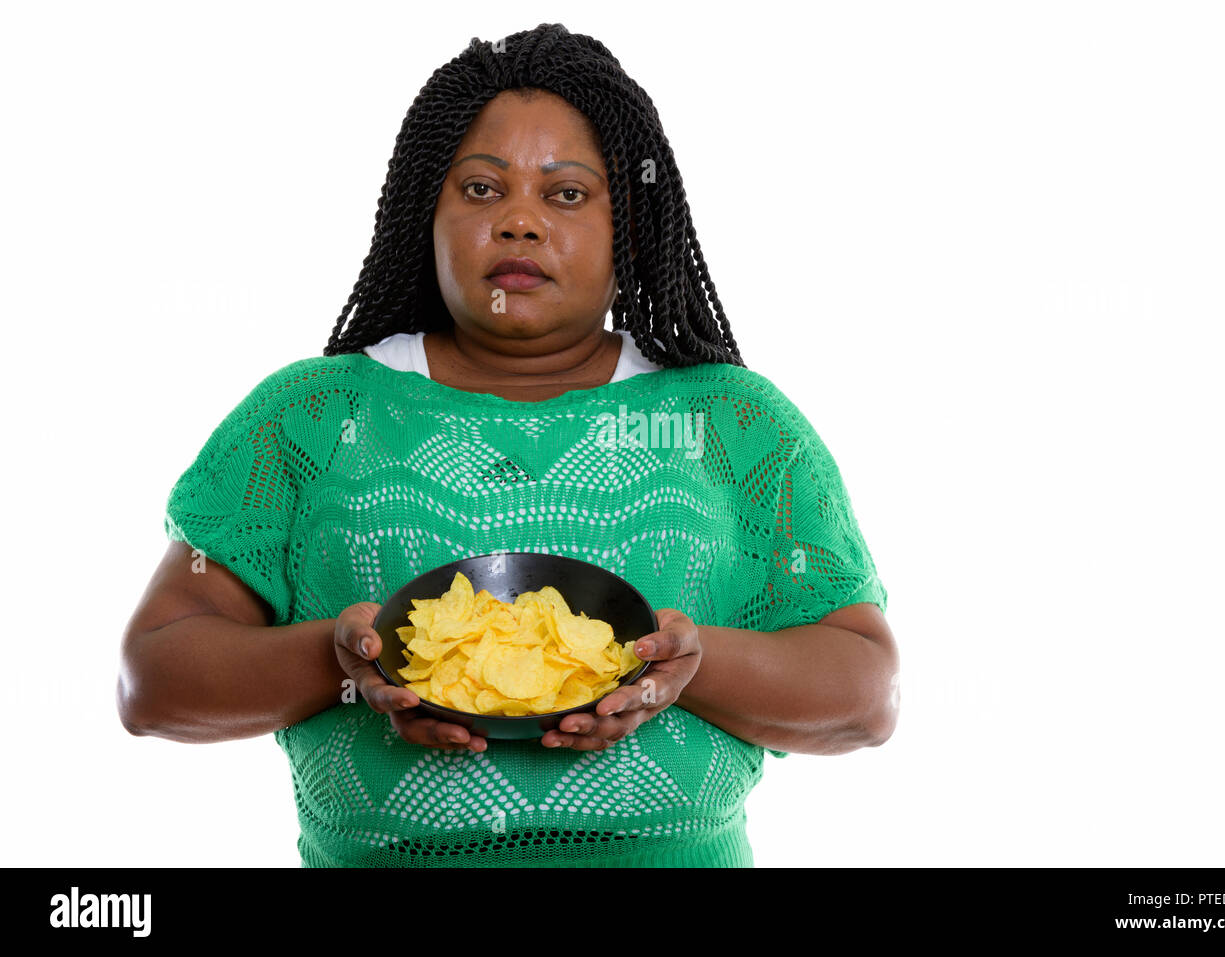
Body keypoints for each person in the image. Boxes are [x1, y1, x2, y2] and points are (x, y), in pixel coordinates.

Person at [117, 22, 900, 867]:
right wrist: (333, 658)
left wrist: (688, 666)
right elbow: (152, 680)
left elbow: (868, 691)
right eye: (483, 190)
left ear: (628, 225)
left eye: (565, 194)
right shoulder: (309, 416)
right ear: (427, 211)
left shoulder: (735, 424)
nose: (520, 222)